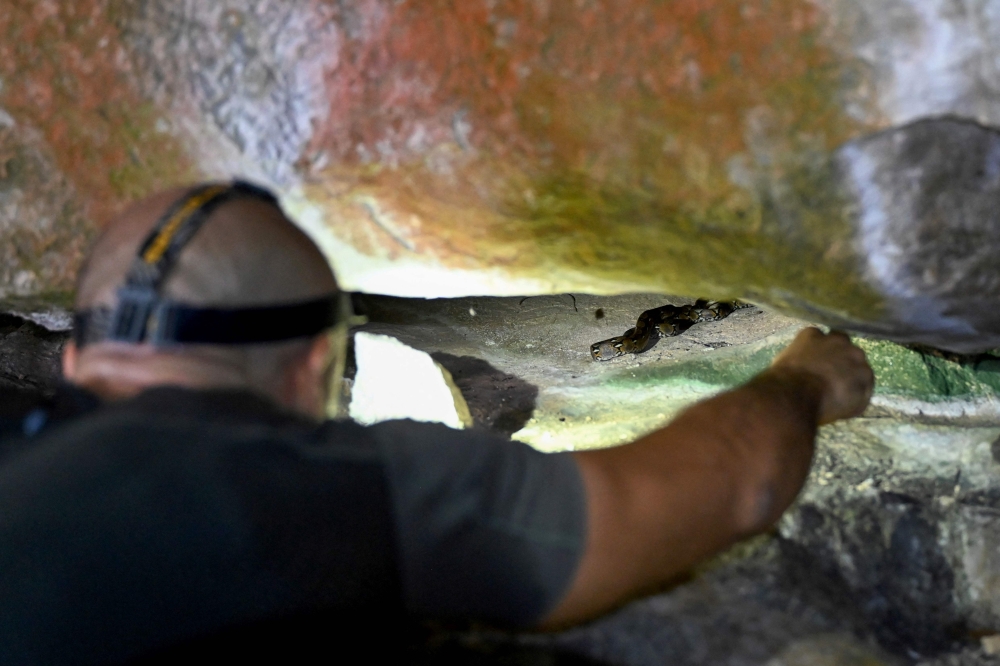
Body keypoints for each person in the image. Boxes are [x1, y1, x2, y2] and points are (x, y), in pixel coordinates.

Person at [0, 182, 874, 664]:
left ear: (74, 359)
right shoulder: (325, 486)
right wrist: (808, 381)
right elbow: (724, 487)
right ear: (315, 368)